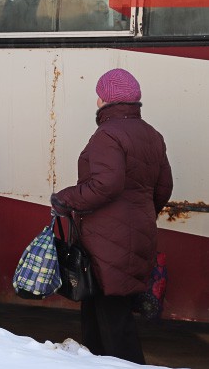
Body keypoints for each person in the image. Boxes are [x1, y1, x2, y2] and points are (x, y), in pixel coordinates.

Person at [50, 68, 173, 364]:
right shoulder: (152, 135)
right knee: (99, 313)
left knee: (112, 321)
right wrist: (141, 214)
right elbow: (164, 187)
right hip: (135, 233)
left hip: (107, 238)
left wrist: (66, 198)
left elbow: (107, 184)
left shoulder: (107, 134)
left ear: (104, 99)